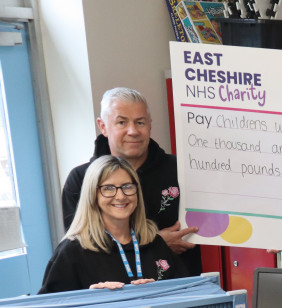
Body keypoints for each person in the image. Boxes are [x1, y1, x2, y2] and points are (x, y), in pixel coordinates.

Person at [61, 87, 200, 274]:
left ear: (150, 125)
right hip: (112, 292)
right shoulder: (81, 179)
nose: (133, 131)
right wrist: (156, 245)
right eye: (121, 122)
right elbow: (81, 247)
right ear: (103, 126)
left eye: (140, 122)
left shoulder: (182, 170)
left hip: (181, 289)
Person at [39, 156, 188, 294]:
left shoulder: (154, 243)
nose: (121, 196)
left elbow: (186, 295)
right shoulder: (71, 252)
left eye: (127, 186)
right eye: (108, 188)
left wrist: (159, 292)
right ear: (92, 195)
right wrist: (88, 298)